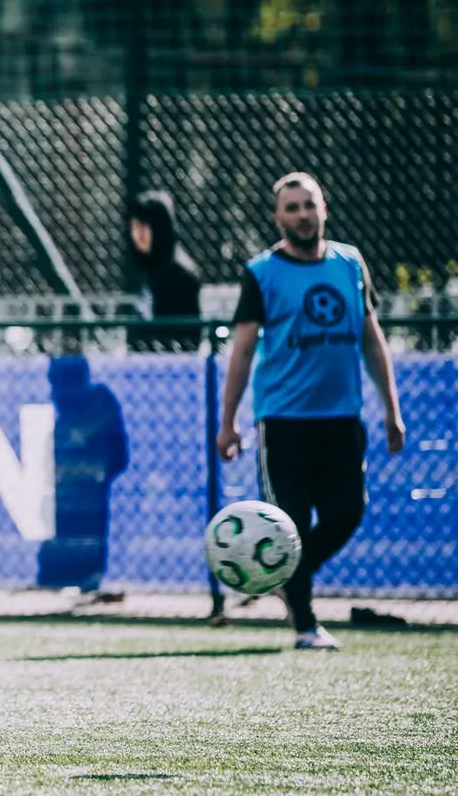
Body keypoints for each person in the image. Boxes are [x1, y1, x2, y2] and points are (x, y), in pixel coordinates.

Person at [216, 172, 405, 651]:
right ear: (277, 218)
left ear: (324, 209)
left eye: (309, 205)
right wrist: (228, 421)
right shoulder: (261, 272)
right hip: (283, 422)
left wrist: (391, 409)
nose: (302, 215)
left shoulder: (350, 263)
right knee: (290, 524)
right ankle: (305, 625)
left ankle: (282, 575)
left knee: (347, 513)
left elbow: (371, 339)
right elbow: (242, 351)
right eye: (292, 207)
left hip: (342, 418)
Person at [34, 356, 128, 603]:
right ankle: (59, 580)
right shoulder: (63, 413)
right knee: (64, 527)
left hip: (90, 484)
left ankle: (86, 580)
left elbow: (116, 452)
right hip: (67, 485)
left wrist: (98, 472)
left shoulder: (100, 403)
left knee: (88, 530)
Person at [126, 192, 202, 352]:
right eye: (134, 226)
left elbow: (186, 340)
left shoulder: (179, 275)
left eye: (143, 226)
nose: (137, 234)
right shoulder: (151, 268)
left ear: (159, 227)